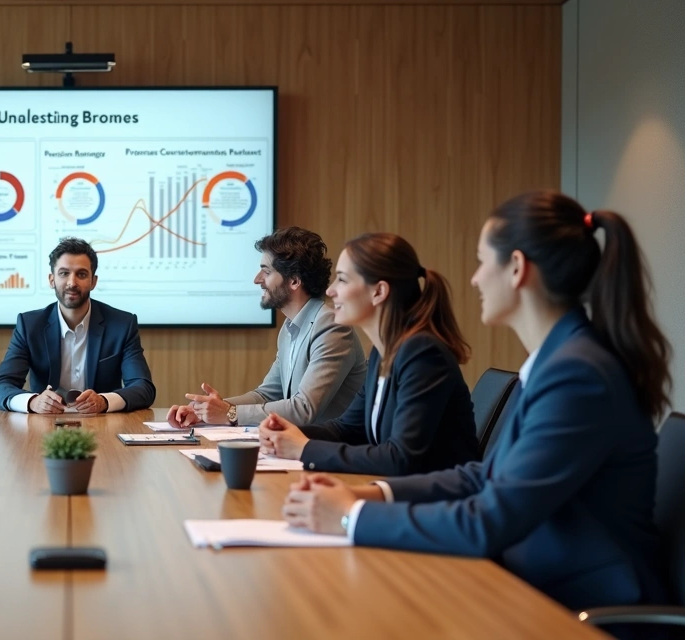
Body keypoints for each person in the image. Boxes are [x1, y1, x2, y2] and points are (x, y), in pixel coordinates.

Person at [283, 190, 671, 614]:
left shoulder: (577, 374)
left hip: (581, 607)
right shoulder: (558, 360)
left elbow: (490, 520)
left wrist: (349, 518)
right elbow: (484, 476)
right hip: (534, 582)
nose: (474, 278)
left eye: (483, 261)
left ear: (518, 268)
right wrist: (370, 495)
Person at [258, 232, 478, 476]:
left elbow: (399, 458)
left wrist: (304, 449)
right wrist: (290, 432)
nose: (330, 291)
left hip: (438, 505)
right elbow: (348, 429)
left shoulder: (424, 355)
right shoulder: (382, 354)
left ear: (379, 292)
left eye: (342, 280)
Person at [166, 227, 366, 428]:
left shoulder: (331, 327)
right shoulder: (290, 328)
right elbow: (266, 394)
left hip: (335, 451)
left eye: (267, 271)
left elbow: (304, 409)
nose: (257, 279)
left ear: (295, 280)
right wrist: (204, 411)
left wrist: (230, 413)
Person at [0, 237, 155, 413]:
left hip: (101, 423)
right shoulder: (29, 325)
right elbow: (0, 387)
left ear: (93, 281)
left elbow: (143, 388)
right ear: (52, 280)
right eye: (64, 273)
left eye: (81, 274)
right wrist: (33, 402)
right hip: (44, 425)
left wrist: (105, 401)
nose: (72, 283)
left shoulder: (122, 325)